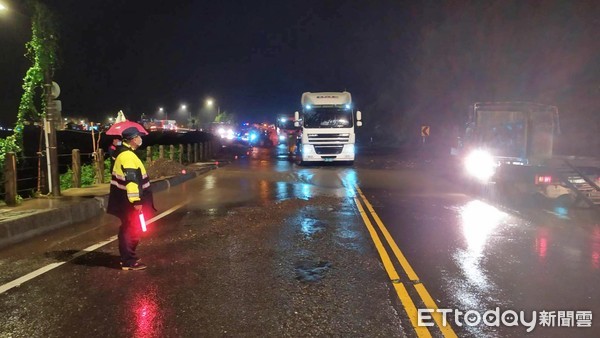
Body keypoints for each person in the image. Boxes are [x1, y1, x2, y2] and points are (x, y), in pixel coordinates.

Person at [106, 127, 155, 270]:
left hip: (123, 199)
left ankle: (128, 256)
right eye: (139, 136)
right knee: (131, 229)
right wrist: (136, 201)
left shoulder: (125, 153)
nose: (140, 139)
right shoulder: (127, 156)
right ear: (133, 139)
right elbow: (132, 180)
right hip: (129, 201)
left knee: (129, 227)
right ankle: (129, 260)